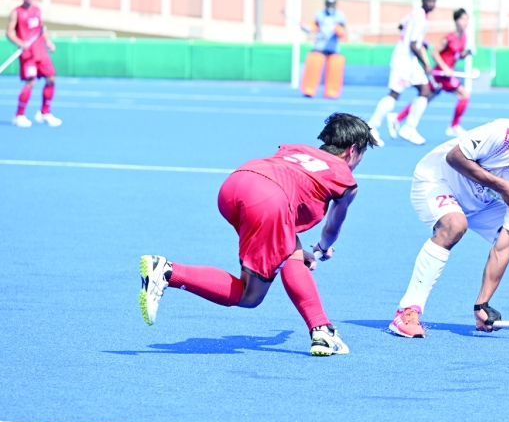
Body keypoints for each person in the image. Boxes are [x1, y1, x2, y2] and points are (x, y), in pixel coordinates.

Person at [138, 113, 378, 356]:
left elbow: (280, 208)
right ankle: (168, 271)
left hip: (235, 184)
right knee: (250, 296)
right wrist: (323, 248)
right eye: (362, 154)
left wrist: (296, 249)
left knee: (291, 252)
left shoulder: (296, 150)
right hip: (269, 201)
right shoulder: (345, 178)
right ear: (352, 149)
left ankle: (322, 329)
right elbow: (331, 228)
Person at [388, 117, 509, 339]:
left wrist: (481, 304)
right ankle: (406, 312)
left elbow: (502, 247)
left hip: (483, 200)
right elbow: (454, 157)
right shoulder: (505, 134)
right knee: (455, 225)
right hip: (437, 182)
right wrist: (502, 186)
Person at [366, 0, 437, 146]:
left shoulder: (415, 14)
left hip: (410, 60)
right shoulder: (420, 19)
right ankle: (371, 127)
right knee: (394, 94)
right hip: (404, 60)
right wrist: (426, 64)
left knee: (426, 91)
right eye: (429, 1)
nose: (432, 4)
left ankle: (409, 128)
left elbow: (401, 25)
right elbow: (412, 44)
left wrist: (416, 40)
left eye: (434, 1)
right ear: (423, 1)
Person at [390, 8, 475, 138]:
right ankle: (454, 126)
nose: (465, 22)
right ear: (456, 21)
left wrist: (466, 53)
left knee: (426, 97)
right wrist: (445, 68)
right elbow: (434, 53)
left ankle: (398, 117)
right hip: (441, 75)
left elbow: (458, 55)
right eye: (463, 19)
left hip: (447, 74)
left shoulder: (464, 37)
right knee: (464, 95)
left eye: (467, 19)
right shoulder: (449, 38)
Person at [7, 0, 60, 128]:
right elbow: (9, 33)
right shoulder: (16, 12)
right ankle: (19, 115)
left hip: (41, 52)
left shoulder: (37, 10)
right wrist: (21, 43)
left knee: (51, 79)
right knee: (30, 82)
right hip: (28, 55)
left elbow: (41, 29)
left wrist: (48, 42)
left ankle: (44, 113)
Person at [300, 0, 347, 99]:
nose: (330, 6)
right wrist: (308, 27)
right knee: (314, 63)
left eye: (332, 4)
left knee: (335, 66)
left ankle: (332, 91)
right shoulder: (319, 14)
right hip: (319, 46)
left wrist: (339, 30)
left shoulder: (340, 16)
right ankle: (309, 89)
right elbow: (314, 25)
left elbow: (343, 30)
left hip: (333, 47)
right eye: (328, 4)